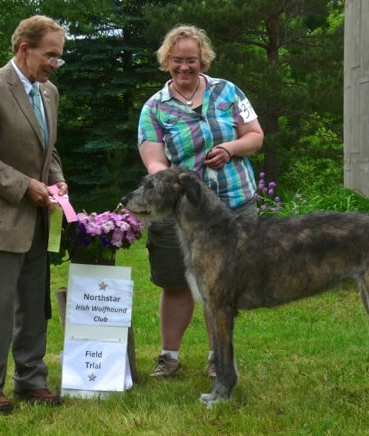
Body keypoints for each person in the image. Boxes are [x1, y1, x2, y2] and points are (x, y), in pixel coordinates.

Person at [137, 25, 264, 378]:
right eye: (177, 60)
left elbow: (255, 136)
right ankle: (169, 357)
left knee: (220, 286)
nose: (184, 67)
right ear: (167, 61)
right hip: (182, 212)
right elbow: (153, 160)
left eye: (191, 60)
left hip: (234, 204)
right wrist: (172, 183)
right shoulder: (154, 109)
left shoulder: (228, 92)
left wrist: (229, 148)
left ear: (202, 59)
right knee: (175, 282)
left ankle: (216, 358)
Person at [0, 15, 68, 413]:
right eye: (50, 55)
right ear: (24, 49)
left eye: (60, 57)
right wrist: (26, 186)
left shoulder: (49, 92)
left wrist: (56, 181)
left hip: (38, 220)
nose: (55, 64)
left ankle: (31, 380)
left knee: (33, 304)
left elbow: (48, 149)